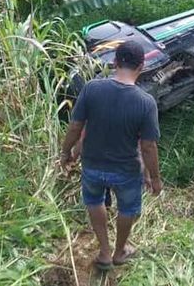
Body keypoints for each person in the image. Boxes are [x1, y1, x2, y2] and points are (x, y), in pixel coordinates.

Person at [60, 41, 163, 270]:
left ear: (115, 62)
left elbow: (76, 127)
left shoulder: (92, 88)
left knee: (95, 202)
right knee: (128, 209)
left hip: (93, 166)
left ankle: (104, 252)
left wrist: (67, 152)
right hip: (126, 171)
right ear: (142, 66)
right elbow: (147, 146)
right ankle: (120, 251)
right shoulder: (146, 103)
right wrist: (154, 177)